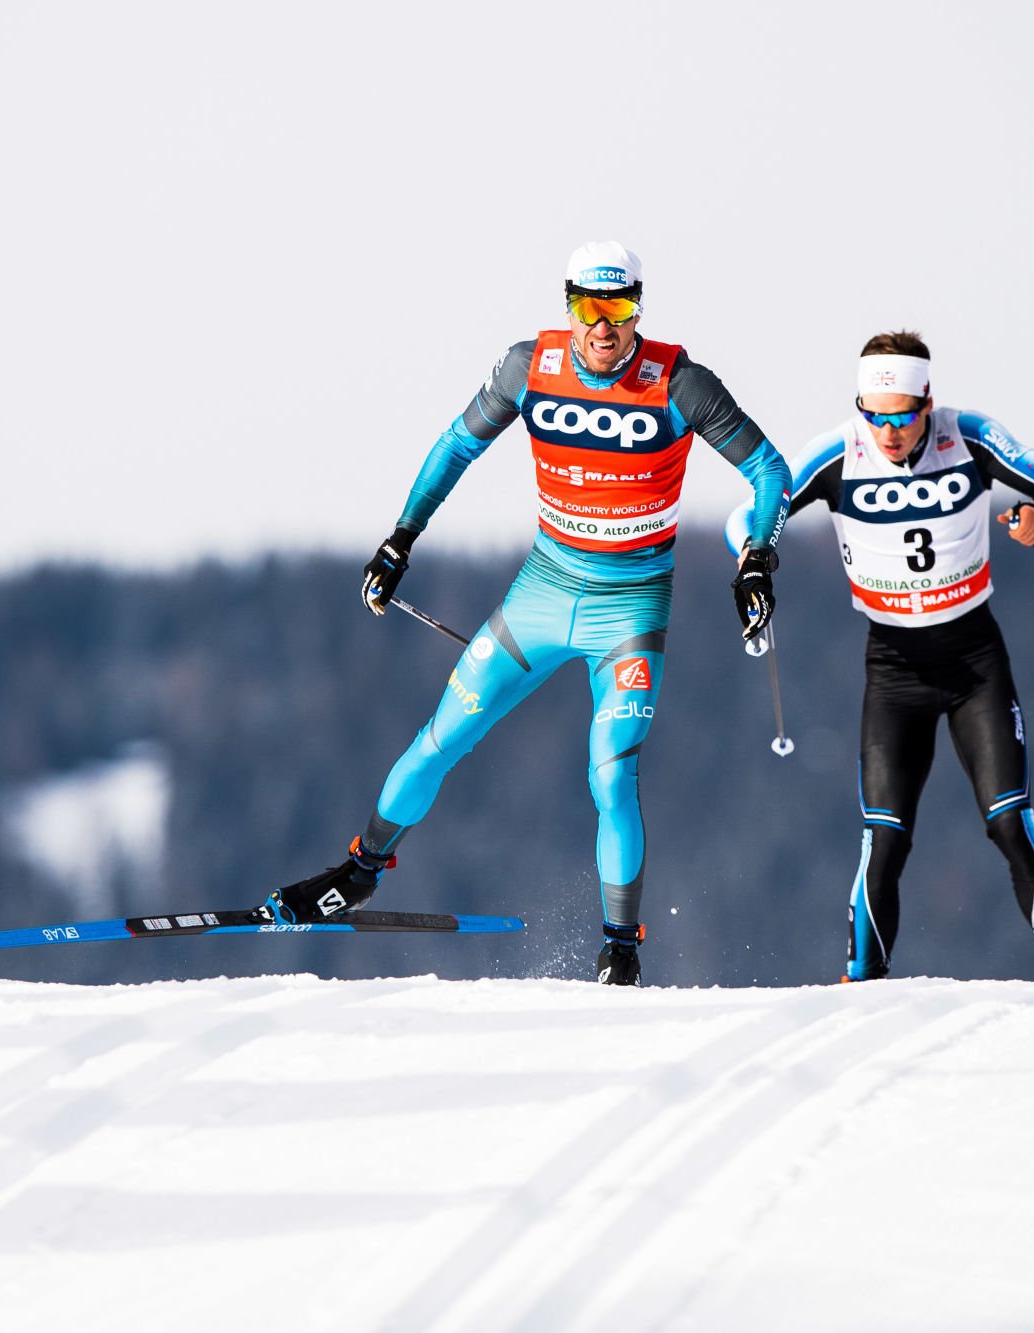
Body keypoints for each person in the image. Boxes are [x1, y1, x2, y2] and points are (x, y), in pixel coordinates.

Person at [270, 242, 791, 986]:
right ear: (569, 305)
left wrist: (757, 557)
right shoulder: (529, 367)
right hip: (541, 598)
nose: (603, 326)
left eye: (619, 308)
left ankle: (620, 950)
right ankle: (358, 872)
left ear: (639, 307)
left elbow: (768, 468)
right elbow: (457, 445)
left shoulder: (680, 382)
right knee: (440, 739)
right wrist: (400, 538)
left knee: (611, 777)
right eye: (589, 307)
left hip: (629, 613)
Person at [728, 329, 1034, 982]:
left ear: (927, 403)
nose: (888, 433)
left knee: (1010, 822)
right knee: (884, 839)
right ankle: (860, 983)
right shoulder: (838, 451)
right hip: (894, 670)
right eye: (875, 416)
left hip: (975, 664)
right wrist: (756, 555)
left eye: (901, 417)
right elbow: (747, 516)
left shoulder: (968, 435)